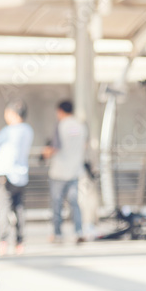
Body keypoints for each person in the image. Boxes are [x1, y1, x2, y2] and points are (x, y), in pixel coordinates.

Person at [0, 100, 33, 255]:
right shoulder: (27, 130)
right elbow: (2, 136)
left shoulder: (10, 131)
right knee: (19, 209)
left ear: (12, 114)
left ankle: (2, 242)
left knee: (3, 209)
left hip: (5, 175)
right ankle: (20, 242)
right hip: (21, 176)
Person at [42, 100, 88, 244]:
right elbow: (84, 146)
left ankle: (57, 234)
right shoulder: (81, 126)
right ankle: (79, 231)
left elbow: (56, 147)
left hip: (59, 171)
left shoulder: (60, 126)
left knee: (57, 203)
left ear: (60, 111)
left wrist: (45, 153)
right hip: (75, 171)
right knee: (74, 202)